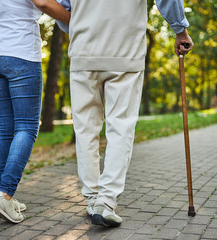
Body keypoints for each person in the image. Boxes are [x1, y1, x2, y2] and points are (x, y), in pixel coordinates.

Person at [56, 0, 194, 227]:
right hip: (125, 52)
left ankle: (91, 198)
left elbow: (60, 7)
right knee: (120, 127)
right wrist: (180, 31)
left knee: (85, 130)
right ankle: (106, 200)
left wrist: (82, 26)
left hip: (83, 52)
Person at [0, 0, 70, 224]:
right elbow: (44, 3)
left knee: (3, 131)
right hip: (22, 56)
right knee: (27, 127)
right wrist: (74, 20)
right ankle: (4, 194)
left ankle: (0, 198)